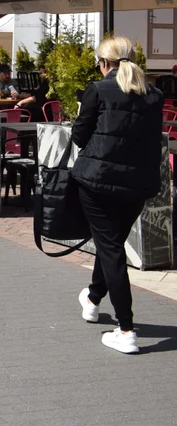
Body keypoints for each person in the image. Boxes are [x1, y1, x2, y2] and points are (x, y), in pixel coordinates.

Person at [70, 36, 162, 355]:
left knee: (111, 249)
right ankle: (94, 299)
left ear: (104, 63)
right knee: (111, 245)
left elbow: (79, 136)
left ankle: (126, 330)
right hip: (138, 184)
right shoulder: (155, 95)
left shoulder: (98, 89)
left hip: (97, 182)